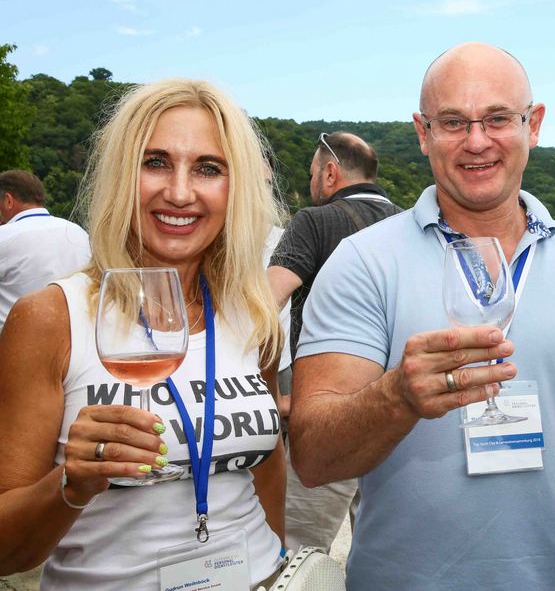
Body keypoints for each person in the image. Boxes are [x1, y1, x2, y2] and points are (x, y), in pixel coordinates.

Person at [288, 42, 555, 590]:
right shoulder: (362, 261)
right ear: (423, 133)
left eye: (498, 119)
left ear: (534, 124)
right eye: (453, 122)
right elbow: (313, 458)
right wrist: (396, 397)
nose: (477, 141)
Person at [0, 78, 289, 589]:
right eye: (155, 162)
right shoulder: (50, 318)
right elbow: (6, 553)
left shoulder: (252, 313)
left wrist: (279, 563)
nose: (179, 192)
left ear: (236, 188)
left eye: (208, 168)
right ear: (120, 175)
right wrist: (70, 482)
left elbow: (266, 464)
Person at [268, 131, 402, 553]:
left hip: (332, 418)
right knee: (386, 554)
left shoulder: (315, 221)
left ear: (330, 173)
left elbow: (262, 305)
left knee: (296, 555)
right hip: (402, 423)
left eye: (312, 174)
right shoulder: (411, 226)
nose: (312, 183)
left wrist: (266, 395)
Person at [0, 169, 90, 332]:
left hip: (18, 340)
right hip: (76, 337)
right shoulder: (78, 233)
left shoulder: (4, 236)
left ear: (8, 201)